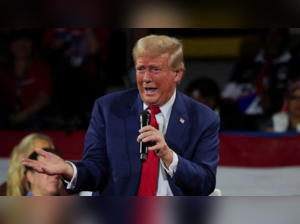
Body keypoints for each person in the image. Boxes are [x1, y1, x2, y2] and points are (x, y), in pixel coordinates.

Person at [23, 35, 220, 196]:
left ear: (177, 74)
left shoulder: (203, 119)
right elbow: (97, 169)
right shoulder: (108, 108)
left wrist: (169, 157)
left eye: (155, 69)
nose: (146, 78)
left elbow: (205, 183)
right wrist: (70, 170)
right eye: (141, 69)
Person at [221, 28, 299, 116]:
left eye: (278, 34)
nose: (272, 39)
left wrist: (275, 103)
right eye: (268, 34)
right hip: (241, 121)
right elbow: (226, 99)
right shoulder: (246, 64)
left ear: (286, 37)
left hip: (281, 122)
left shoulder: (295, 66)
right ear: (262, 37)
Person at [0, 30, 53, 130]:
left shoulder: (41, 67)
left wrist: (22, 115)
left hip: (34, 117)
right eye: (17, 42)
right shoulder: (3, 68)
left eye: (26, 42)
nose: (22, 46)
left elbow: (44, 98)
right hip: (6, 116)